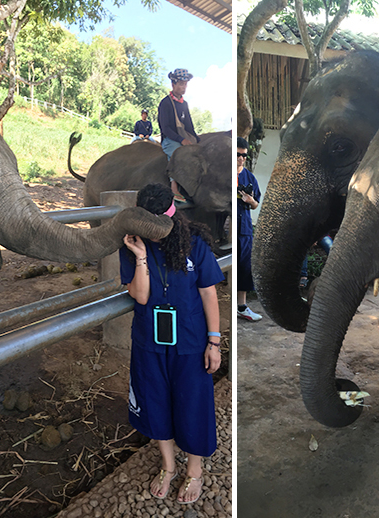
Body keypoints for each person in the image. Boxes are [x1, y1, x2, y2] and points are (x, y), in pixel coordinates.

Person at [120, 183, 224, 504]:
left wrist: (214, 342)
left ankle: (194, 470)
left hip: (191, 343)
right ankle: (168, 466)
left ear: (171, 216)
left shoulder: (195, 245)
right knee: (155, 404)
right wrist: (140, 257)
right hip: (150, 342)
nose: (152, 236)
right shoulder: (133, 245)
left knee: (193, 405)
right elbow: (140, 295)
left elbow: (209, 294)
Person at [157, 68, 200, 202]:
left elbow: (189, 126)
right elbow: (165, 128)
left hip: (183, 138)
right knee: (177, 153)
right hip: (170, 140)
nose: (184, 87)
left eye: (185, 84)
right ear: (173, 84)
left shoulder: (184, 104)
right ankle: (174, 187)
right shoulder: (165, 103)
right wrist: (181, 140)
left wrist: (198, 140)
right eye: (181, 84)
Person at [236, 137, 263, 322]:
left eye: (243, 155)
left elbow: (256, 204)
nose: (240, 158)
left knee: (244, 267)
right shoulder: (224, 175)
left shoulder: (249, 177)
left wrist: (250, 200)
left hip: (244, 228)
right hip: (227, 228)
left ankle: (242, 306)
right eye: (237, 154)